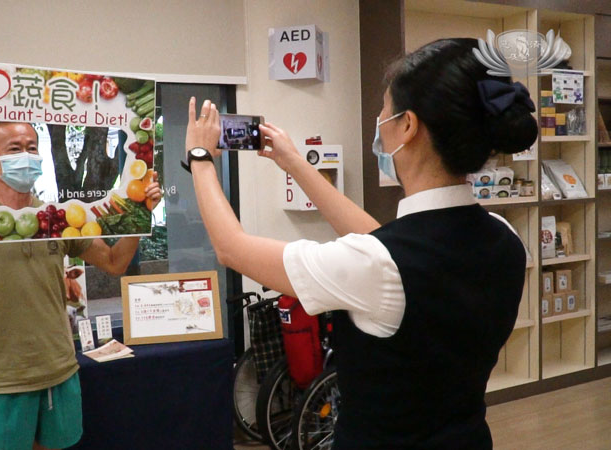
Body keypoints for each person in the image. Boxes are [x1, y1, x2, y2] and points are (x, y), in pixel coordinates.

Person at [184, 38, 537, 449]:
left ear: (408, 125)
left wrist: (199, 156)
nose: (380, 120)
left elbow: (232, 248)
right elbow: (380, 242)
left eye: (385, 109)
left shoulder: (380, 264)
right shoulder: (504, 237)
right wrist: (294, 162)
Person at [0, 121, 162, 450]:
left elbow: (114, 262)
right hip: (0, 378)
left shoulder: (59, 218)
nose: (26, 155)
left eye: (32, 147)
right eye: (14, 148)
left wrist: (141, 217)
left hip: (60, 370)